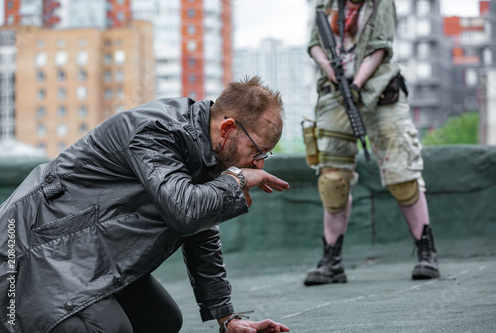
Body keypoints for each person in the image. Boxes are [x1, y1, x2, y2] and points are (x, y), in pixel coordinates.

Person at [0, 76, 290, 333]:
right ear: (227, 128)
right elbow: (185, 212)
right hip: (33, 249)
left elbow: (200, 230)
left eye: (266, 155)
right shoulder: (156, 131)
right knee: (107, 328)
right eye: (257, 150)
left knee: (161, 321)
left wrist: (226, 319)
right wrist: (236, 178)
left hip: (83, 252)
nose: (259, 163)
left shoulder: (209, 153)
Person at [303, 0, 440, 286]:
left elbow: (380, 46)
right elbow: (316, 43)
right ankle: (332, 261)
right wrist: (333, 73)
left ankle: (427, 252)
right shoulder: (325, 4)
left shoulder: (381, 4)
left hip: (380, 90)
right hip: (334, 93)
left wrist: (355, 84)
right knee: (332, 180)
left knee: (402, 174)